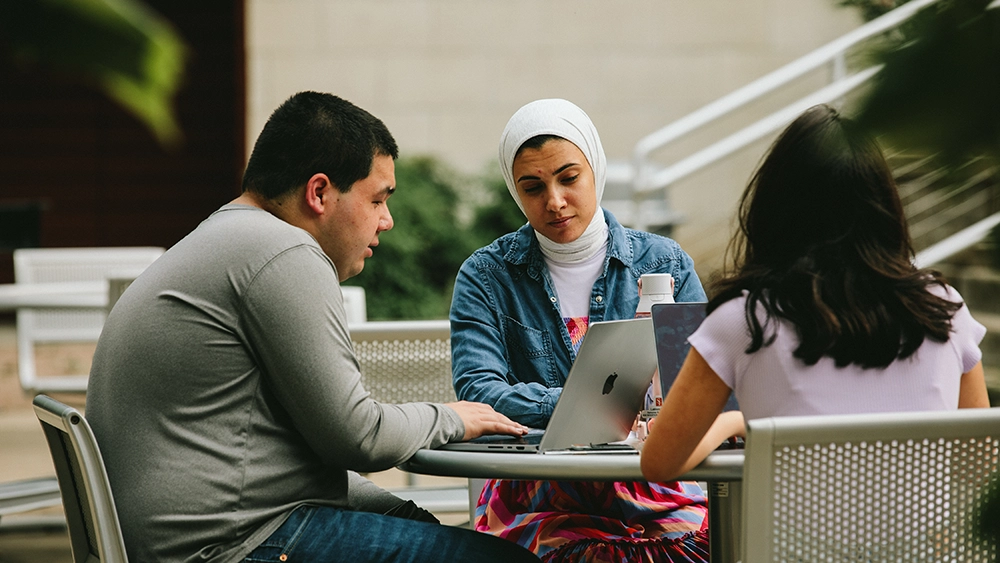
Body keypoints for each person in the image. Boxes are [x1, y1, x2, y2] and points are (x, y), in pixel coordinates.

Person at [85, 91, 538, 563]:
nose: (387, 220)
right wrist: (453, 417)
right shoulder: (283, 253)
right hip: (228, 547)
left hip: (201, 531)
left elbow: (308, 453)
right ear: (319, 192)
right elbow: (357, 436)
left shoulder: (228, 236)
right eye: (378, 199)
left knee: (424, 529)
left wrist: (400, 512)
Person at [640, 104, 990, 484]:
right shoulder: (944, 310)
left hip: (787, 546)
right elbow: (979, 469)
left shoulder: (744, 321)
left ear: (773, 208)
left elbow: (660, 462)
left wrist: (734, 421)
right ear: (884, 208)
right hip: (918, 544)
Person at [450, 98, 710, 562]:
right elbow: (477, 389)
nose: (554, 201)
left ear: (597, 169)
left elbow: (700, 383)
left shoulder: (665, 263)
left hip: (658, 488)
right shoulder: (487, 276)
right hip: (537, 497)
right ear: (515, 190)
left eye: (569, 178)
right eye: (532, 188)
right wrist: (583, 407)